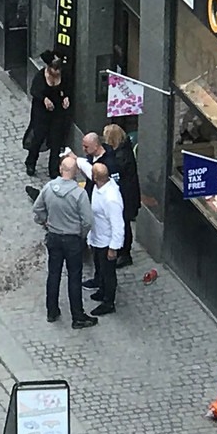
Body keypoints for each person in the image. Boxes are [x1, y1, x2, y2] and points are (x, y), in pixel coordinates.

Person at [32, 156, 97, 328]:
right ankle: (78, 316)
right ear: (75, 172)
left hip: (54, 236)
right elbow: (88, 221)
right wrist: (80, 235)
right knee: (74, 277)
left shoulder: (49, 188)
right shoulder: (79, 194)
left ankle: (52, 311)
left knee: (53, 274)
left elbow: (37, 208)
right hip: (72, 239)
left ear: (61, 169)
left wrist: (45, 222)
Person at [24, 52, 71, 178]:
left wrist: (66, 98)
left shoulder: (64, 75)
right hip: (41, 113)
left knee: (56, 141)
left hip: (57, 112)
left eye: (58, 69)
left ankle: (53, 169)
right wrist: (44, 99)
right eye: (54, 69)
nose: (57, 72)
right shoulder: (40, 77)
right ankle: (31, 162)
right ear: (48, 68)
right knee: (38, 138)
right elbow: (34, 91)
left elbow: (67, 89)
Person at [86, 162, 124, 317]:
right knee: (100, 267)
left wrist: (113, 248)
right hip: (97, 236)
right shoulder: (99, 186)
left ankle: (109, 302)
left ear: (96, 177)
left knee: (108, 273)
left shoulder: (111, 199)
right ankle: (102, 290)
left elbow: (118, 225)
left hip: (106, 241)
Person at [102, 124, 140, 268]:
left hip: (125, 197)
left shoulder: (121, 155)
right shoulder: (124, 149)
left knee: (124, 224)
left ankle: (125, 254)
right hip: (126, 195)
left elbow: (117, 171)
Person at [72, 133, 120, 202]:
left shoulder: (110, 162)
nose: (83, 149)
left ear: (96, 146)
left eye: (86, 147)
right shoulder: (91, 156)